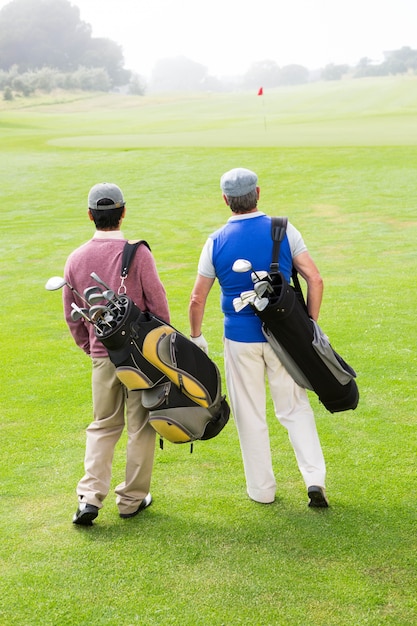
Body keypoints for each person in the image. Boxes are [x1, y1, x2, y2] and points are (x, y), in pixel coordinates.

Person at [189, 168, 328, 508]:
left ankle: (262, 492)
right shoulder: (284, 228)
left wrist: (197, 338)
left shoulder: (216, 241)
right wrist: (309, 324)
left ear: (225, 200)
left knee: (250, 415)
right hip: (285, 338)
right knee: (294, 408)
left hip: (239, 340)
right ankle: (314, 481)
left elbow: (197, 299)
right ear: (258, 193)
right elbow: (315, 279)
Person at [63, 182, 170, 525]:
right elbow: (159, 308)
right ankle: (131, 501)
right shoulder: (138, 253)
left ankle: (89, 498)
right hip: (140, 357)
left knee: (103, 426)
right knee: (141, 427)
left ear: (90, 215)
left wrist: (91, 348)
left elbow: (72, 315)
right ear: (123, 212)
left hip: (102, 355)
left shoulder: (76, 258)